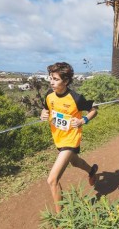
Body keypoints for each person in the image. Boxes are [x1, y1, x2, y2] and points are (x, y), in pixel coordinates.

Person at [40, 62, 98, 213]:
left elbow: (93, 110)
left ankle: (62, 218)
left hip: (71, 139)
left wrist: (82, 120)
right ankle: (91, 170)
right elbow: (46, 110)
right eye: (50, 78)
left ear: (65, 81)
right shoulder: (48, 95)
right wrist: (43, 114)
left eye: (56, 79)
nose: (52, 82)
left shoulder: (76, 98)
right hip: (58, 138)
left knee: (52, 180)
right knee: (75, 161)